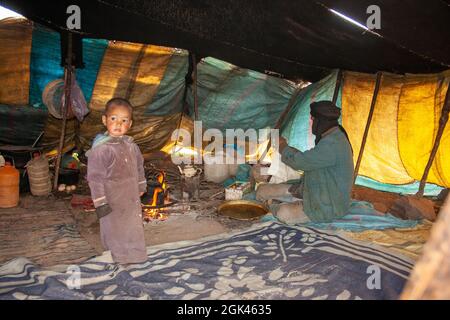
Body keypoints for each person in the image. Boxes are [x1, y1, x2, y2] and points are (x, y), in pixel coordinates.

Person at [256, 100, 354, 224]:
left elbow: (300, 162)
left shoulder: (333, 144)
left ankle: (278, 205)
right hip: (313, 190)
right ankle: (280, 202)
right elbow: (309, 158)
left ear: (320, 121)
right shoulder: (332, 136)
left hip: (328, 205)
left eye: (313, 119)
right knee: (262, 191)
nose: (311, 123)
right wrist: (285, 148)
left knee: (283, 213)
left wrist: (282, 146)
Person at [86, 98, 147, 264]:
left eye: (124, 120)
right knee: (113, 228)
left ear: (130, 124)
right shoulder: (101, 149)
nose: (118, 124)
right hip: (111, 199)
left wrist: (141, 184)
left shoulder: (131, 146)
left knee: (133, 225)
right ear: (104, 120)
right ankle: (116, 258)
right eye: (113, 118)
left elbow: (140, 165)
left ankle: (135, 255)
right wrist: (100, 201)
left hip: (130, 196)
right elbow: (94, 178)